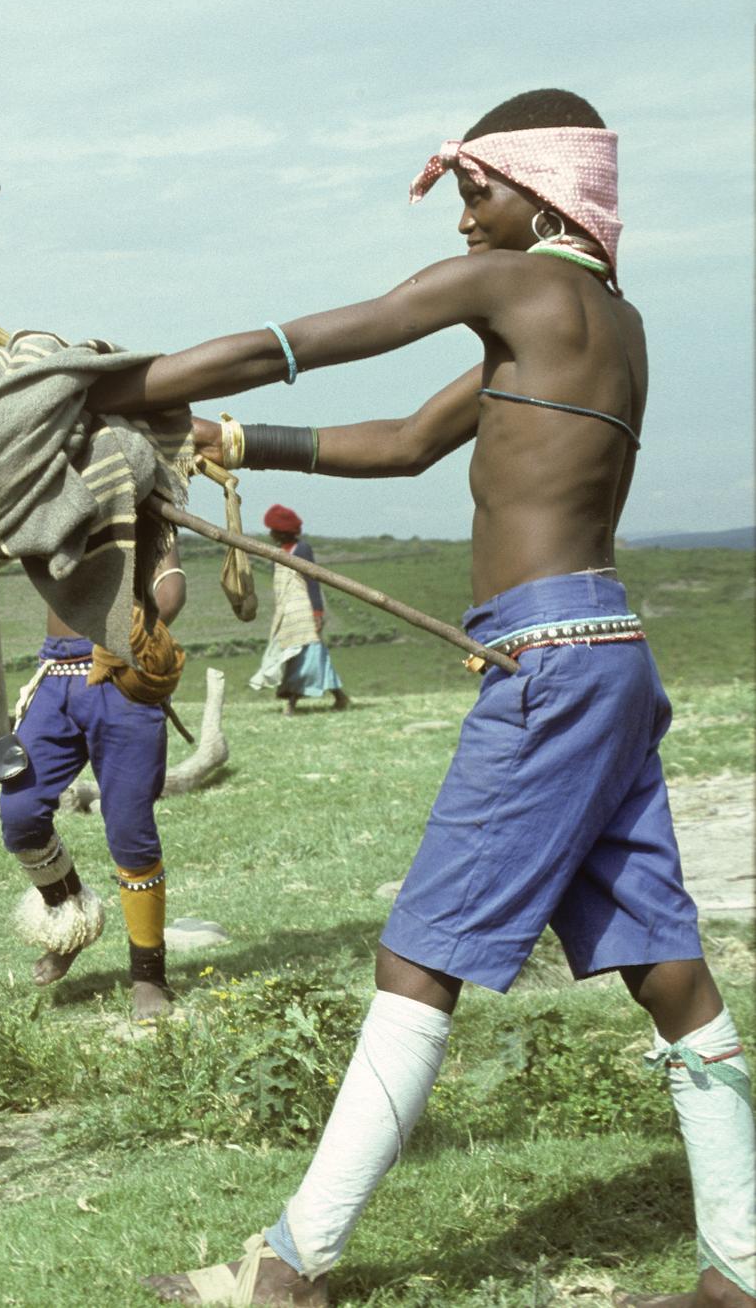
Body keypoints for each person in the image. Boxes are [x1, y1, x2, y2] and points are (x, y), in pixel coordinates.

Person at [74, 92, 749, 1307]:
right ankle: (740, 1273)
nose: (461, 210)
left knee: (414, 963)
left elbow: (337, 332)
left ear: (542, 195)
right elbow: (402, 441)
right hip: (606, 655)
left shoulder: (514, 290)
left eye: (476, 188)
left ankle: (290, 1267)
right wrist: (230, 434)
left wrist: (116, 387)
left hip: (544, 669)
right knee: (669, 975)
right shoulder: (602, 321)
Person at [0, 450, 189, 1021]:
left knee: (131, 830)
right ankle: (69, 916)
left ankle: (148, 976)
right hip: (57, 679)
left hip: (125, 679)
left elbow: (171, 590)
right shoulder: (46, 508)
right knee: (20, 813)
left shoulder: (147, 517)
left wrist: (140, 617)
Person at [247, 503, 350, 715]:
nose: (270, 534)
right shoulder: (278, 552)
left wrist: (318, 613)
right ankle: (340, 696)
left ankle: (291, 703)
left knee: (304, 656)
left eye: (273, 530)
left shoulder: (302, 549)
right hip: (287, 612)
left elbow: (312, 581)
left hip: (303, 610)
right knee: (312, 656)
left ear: (282, 531)